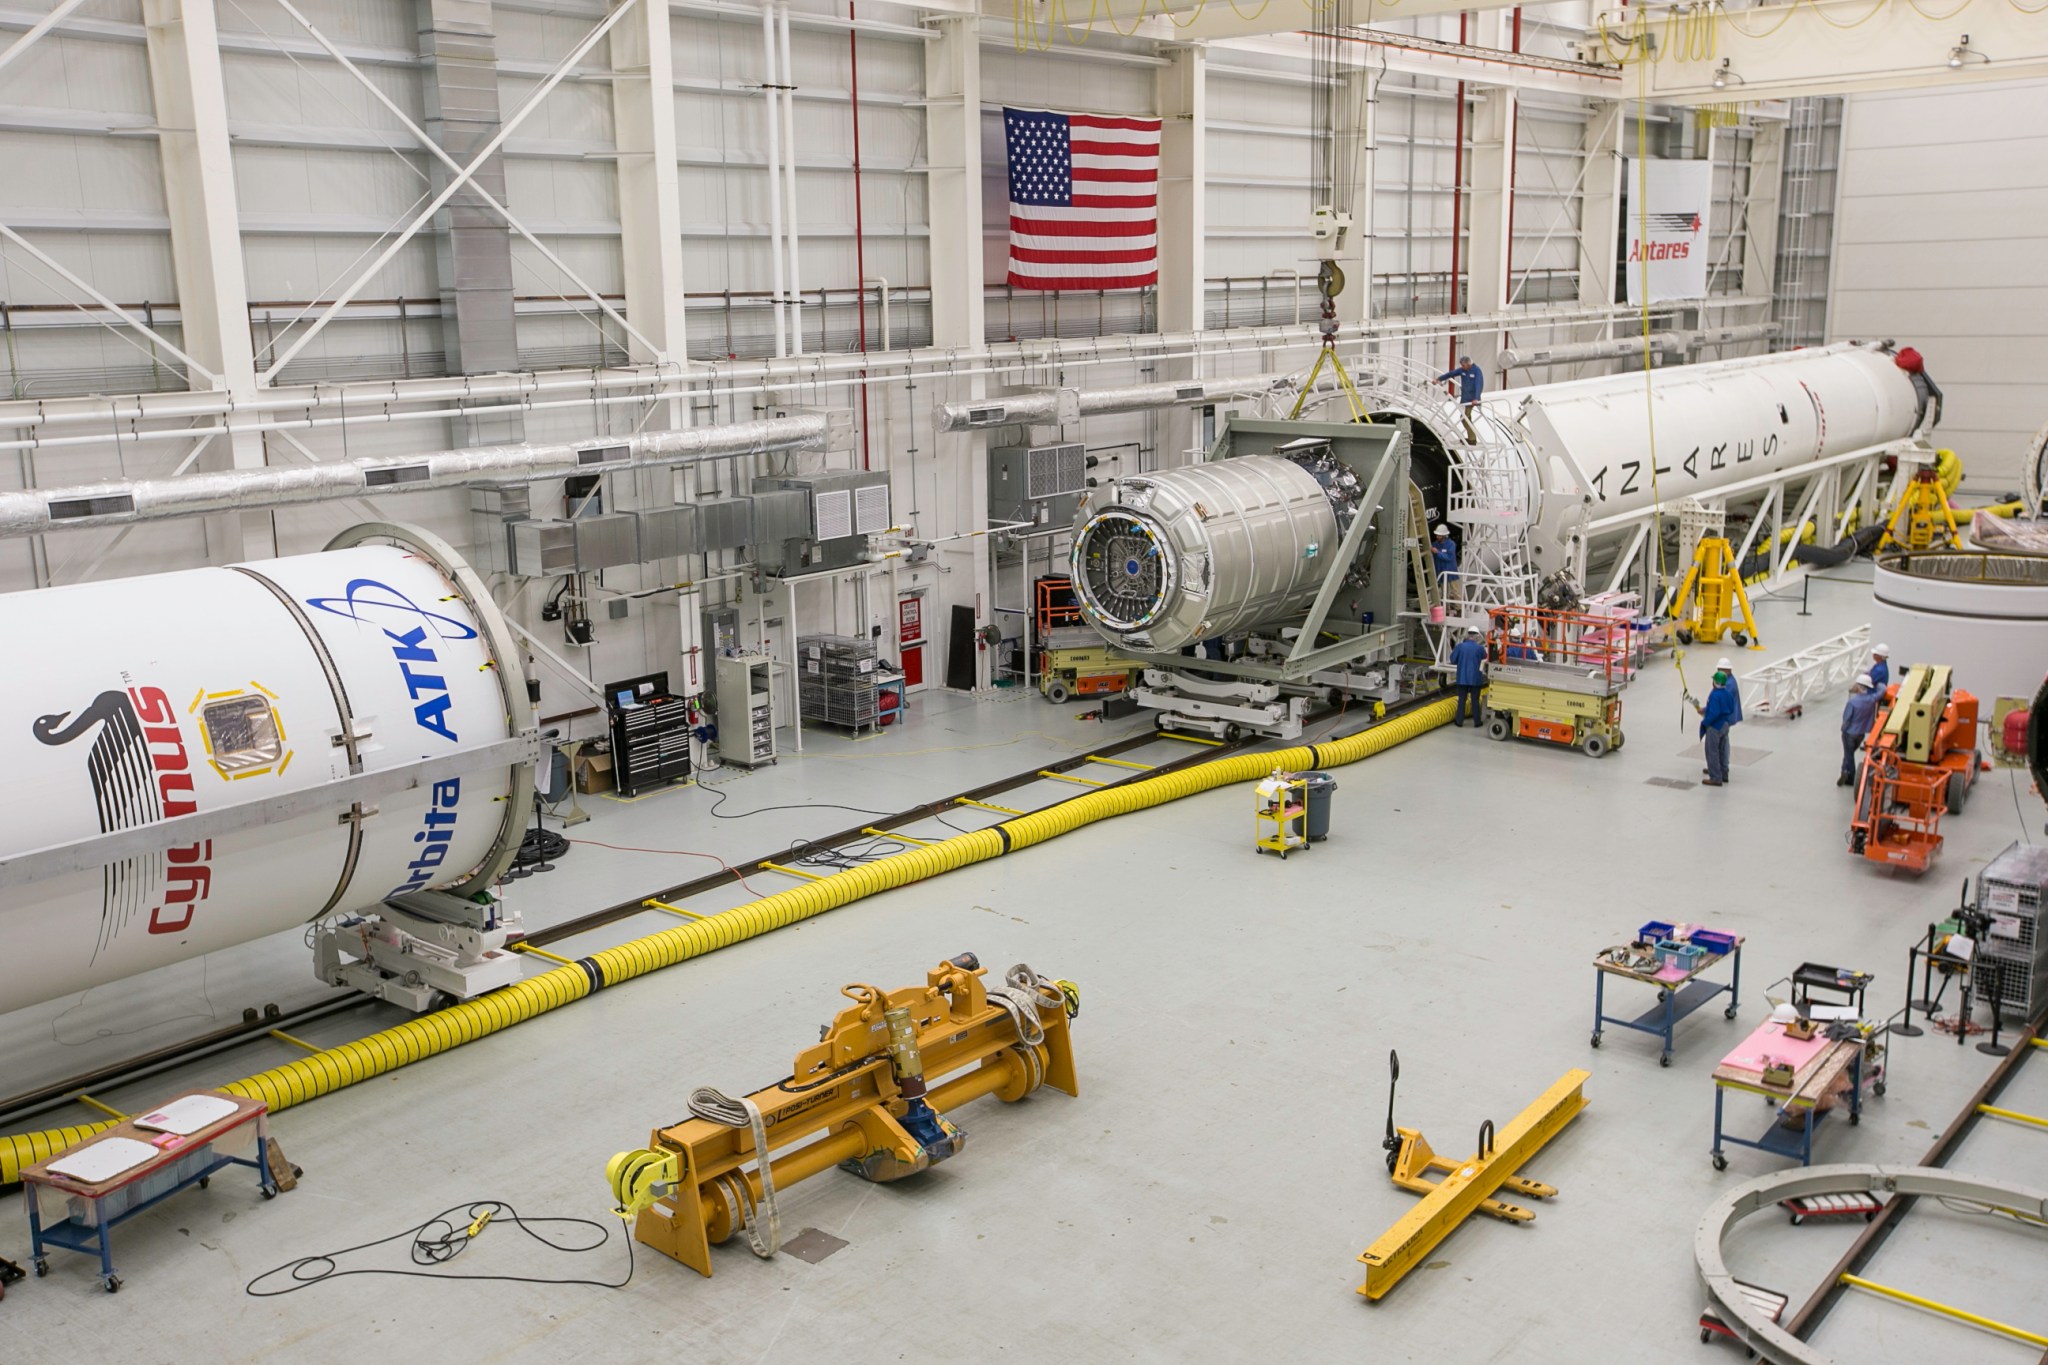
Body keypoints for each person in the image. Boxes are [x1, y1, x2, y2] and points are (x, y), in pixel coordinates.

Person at [1696, 670, 1738, 787]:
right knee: (1722, 750)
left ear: (1715, 682)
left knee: (1712, 751)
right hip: (1725, 724)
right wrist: (1706, 710)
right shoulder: (1727, 694)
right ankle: (1723, 773)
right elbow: (1729, 708)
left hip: (1715, 726)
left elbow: (1714, 713)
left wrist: (1705, 721)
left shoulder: (1714, 695)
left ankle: (1715, 777)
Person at [1839, 673, 1881, 787]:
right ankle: (1843, 771)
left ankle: (1851, 777)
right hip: (1861, 734)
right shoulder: (1872, 700)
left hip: (1849, 733)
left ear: (1859, 686)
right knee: (1849, 753)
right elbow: (1882, 691)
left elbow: (1846, 718)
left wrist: (1843, 729)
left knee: (1849, 755)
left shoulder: (1852, 702)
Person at [1436, 355, 1484, 441]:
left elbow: (1478, 384)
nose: (1462, 367)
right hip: (1465, 398)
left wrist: (1476, 398)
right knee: (1465, 418)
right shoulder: (1462, 370)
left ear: (1468, 364)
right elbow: (1451, 374)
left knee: (1465, 418)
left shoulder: (1476, 371)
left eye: (1463, 365)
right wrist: (1439, 379)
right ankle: (1471, 438)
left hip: (1472, 400)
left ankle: (1472, 439)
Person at [1450, 628, 1487, 727]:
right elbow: (1486, 659)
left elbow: (1453, 659)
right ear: (1477, 636)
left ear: (1467, 635)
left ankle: (1459, 722)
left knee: (1462, 700)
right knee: (1475, 700)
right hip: (1475, 679)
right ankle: (1477, 722)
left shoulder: (1460, 647)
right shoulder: (1480, 648)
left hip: (1462, 678)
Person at [1432, 525, 1460, 604]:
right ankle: (1446, 609)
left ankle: (1459, 609)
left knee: (1455, 591)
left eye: (1439, 535)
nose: (1437, 536)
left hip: (1451, 572)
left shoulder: (1451, 544)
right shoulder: (1435, 544)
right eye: (1437, 535)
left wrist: (1437, 552)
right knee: (1444, 593)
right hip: (1441, 572)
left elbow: (1449, 557)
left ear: (1444, 536)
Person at [1717, 656, 1744, 723]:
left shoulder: (1729, 684)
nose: (1718, 672)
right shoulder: (1727, 680)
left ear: (1728, 670)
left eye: (1721, 670)